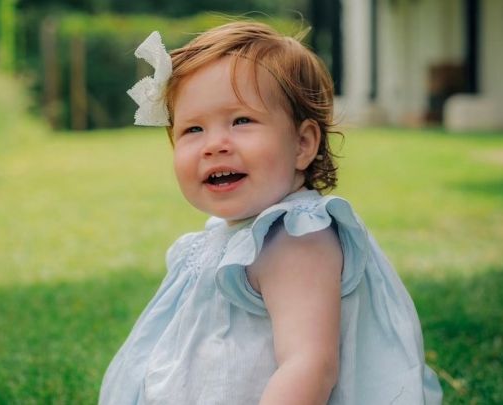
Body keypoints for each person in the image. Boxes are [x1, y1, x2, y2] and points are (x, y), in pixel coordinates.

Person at [99, 21, 443, 405]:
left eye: (241, 121)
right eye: (193, 129)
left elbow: (309, 364)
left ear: (302, 144)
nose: (214, 145)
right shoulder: (233, 235)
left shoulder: (296, 239)